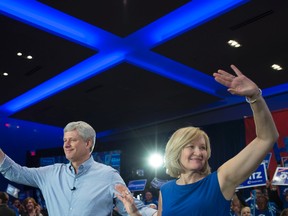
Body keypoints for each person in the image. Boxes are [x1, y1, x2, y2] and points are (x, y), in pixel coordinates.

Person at [117, 64, 279, 215]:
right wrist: (133, 211)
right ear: (176, 151)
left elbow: (266, 138)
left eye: (203, 147)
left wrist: (255, 96)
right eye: (191, 146)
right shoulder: (166, 190)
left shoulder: (221, 180)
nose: (199, 152)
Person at [0, 121, 156, 216]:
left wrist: (156, 213)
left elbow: (130, 208)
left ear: (88, 143)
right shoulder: (49, 173)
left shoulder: (108, 175)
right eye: (64, 140)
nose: (66, 145)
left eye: (72, 140)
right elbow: (16, 172)